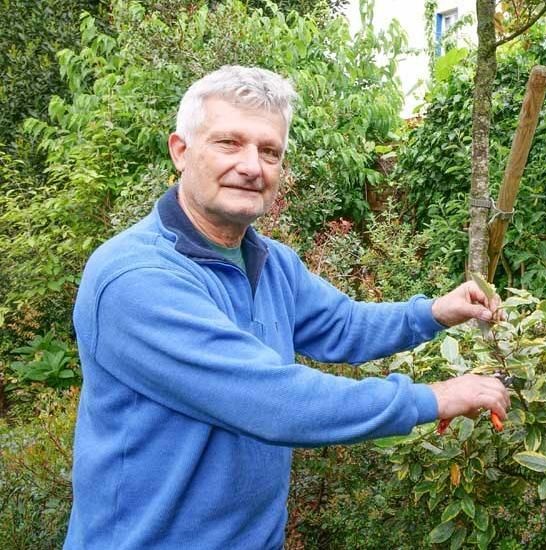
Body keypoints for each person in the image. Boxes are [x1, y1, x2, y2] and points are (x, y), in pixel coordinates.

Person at [65, 65, 510, 549]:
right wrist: (433, 397)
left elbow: (343, 326)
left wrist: (432, 313)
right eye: (228, 143)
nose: (252, 166)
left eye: (269, 151)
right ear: (181, 151)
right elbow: (272, 400)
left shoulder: (271, 262)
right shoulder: (136, 280)